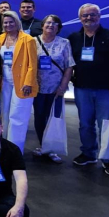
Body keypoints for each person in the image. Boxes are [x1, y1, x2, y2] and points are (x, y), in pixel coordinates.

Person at [67, 3, 109, 176]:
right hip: (82, 88)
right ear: (80, 18)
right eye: (85, 15)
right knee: (85, 124)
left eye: (92, 15)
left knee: (107, 125)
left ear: (99, 16)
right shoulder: (73, 38)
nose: (89, 18)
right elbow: (67, 64)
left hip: (107, 90)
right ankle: (88, 153)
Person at [33, 15, 75, 163]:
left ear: (58, 27)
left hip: (56, 88)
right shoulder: (33, 42)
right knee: (39, 117)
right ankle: (43, 146)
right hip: (37, 87)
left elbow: (69, 66)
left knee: (54, 118)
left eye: (54, 23)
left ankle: (53, 149)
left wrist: (63, 86)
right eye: (48, 23)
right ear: (42, 25)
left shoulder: (64, 43)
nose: (51, 25)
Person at [0, 11, 38, 154]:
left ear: (16, 22)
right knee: (5, 114)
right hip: (5, 83)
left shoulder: (28, 39)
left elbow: (33, 64)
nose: (8, 25)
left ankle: (15, 151)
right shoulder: (0, 38)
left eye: (11, 22)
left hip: (22, 83)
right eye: (5, 22)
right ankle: (5, 145)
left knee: (18, 116)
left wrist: (29, 82)